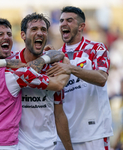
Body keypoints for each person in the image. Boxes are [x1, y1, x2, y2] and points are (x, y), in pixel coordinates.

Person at [0, 13, 73, 150]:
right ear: (22, 35)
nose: (39, 33)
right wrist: (64, 64)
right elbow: (57, 84)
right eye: (34, 29)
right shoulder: (12, 72)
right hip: (9, 144)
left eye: (43, 30)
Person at [46, 6, 113, 150]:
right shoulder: (56, 55)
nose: (64, 24)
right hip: (63, 135)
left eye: (69, 20)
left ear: (81, 26)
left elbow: (101, 78)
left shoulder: (97, 49)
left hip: (94, 133)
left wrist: (71, 69)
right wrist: (42, 59)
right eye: (62, 20)